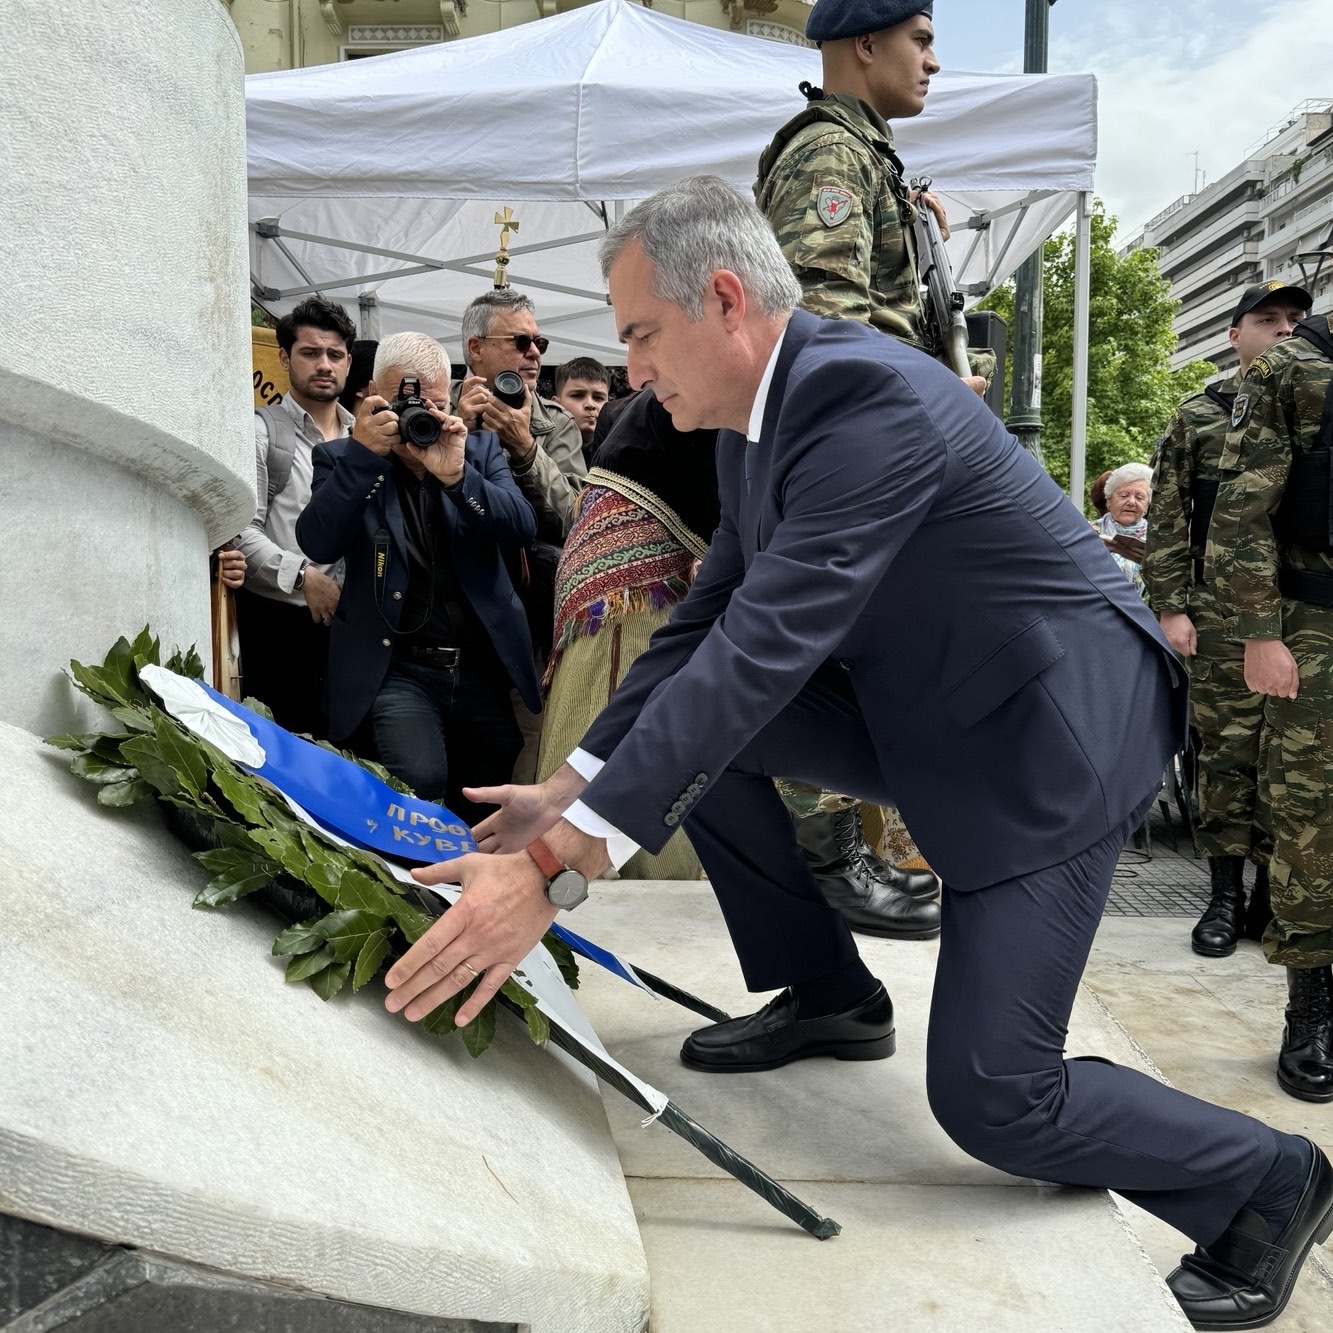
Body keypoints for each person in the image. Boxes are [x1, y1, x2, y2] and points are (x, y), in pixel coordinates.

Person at [384, 177, 1332, 1332]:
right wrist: (574, 784)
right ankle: (829, 992)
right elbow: (704, 629)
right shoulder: (753, 427)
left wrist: (555, 871)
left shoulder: (864, 400)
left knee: (995, 1097)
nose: (630, 369)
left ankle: (1265, 1178)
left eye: (638, 332)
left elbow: (765, 651)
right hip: (934, 706)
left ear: (723, 298)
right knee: (702, 737)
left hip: (1050, 741)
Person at [754, 0, 968, 939]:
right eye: (918, 40)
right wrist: (930, 376)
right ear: (864, 43)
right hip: (843, 452)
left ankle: (843, 847)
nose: (931, 60)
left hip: (865, 446)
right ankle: (825, 851)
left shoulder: (864, 153)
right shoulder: (829, 154)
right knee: (824, 643)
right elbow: (822, 318)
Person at [294, 332, 540, 826]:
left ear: (449, 398)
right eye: (403, 401)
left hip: (481, 665)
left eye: (430, 402)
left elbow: (522, 527)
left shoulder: (478, 450)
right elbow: (317, 543)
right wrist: (365, 456)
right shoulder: (343, 458)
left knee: (486, 797)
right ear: (369, 396)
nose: (416, 416)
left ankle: (472, 898)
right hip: (398, 665)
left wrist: (456, 478)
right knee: (418, 783)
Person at [1144, 282, 1311, 958]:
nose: (1281, 330)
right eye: (1265, 320)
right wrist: (1169, 605)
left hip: (1301, 613)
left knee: (1290, 763)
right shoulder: (1200, 416)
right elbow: (1166, 514)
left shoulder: (1315, 412)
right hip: (1217, 614)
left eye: (1294, 320)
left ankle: (1272, 899)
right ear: (1232, 334)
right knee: (1226, 755)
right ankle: (1222, 894)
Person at [1205, 308, 1333, 1107]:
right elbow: (1241, 511)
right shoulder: (1289, 368)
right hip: (1315, 625)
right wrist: (1258, 631)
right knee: (1309, 818)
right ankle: (1308, 1010)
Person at [536, 390, 719, 880]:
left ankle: (573, 875)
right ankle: (636, 877)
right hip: (640, 577)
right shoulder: (727, 373)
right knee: (637, 710)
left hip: (629, 558)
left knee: (629, 709)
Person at [232, 297, 354, 737]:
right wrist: (304, 577)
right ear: (284, 357)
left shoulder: (365, 437)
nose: (324, 364)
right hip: (277, 627)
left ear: (348, 362)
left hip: (350, 632)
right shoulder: (261, 432)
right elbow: (239, 530)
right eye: (310, 353)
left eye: (334, 355)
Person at [456, 289, 586, 540]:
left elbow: (577, 523)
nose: (535, 353)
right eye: (521, 342)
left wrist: (526, 450)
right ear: (476, 348)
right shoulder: (439, 404)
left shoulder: (557, 422)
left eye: (539, 343)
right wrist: (461, 435)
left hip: (528, 576)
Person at [1093, 462, 1152, 592]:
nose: (1131, 502)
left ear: (1147, 506)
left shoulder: (1159, 540)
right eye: (1124, 495)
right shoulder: (1086, 533)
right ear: (1108, 500)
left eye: (1139, 497)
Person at [552, 357, 611, 461]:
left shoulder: (620, 454)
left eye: (598, 397)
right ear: (556, 404)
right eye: (578, 395)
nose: (590, 404)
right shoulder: (539, 448)